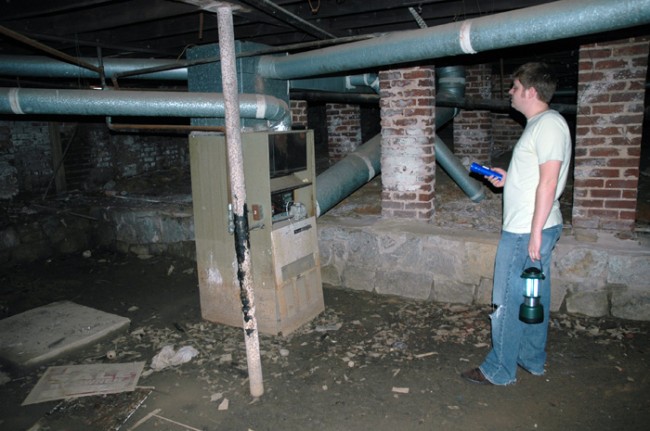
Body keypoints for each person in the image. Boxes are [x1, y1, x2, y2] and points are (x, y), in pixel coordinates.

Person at [461, 62, 572, 386]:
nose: (510, 92)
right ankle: (530, 358)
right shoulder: (540, 124)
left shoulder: (548, 125)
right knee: (530, 297)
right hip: (531, 227)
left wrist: (534, 234)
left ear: (531, 91)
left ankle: (499, 369)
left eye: (515, 86)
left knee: (507, 300)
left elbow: (549, 183)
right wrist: (507, 179)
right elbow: (536, 177)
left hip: (526, 230)